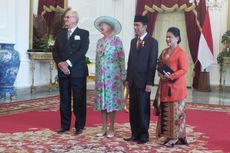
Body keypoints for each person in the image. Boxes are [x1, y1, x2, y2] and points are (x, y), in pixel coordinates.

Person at [52, 8, 89, 135]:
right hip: (63, 71)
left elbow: (82, 52)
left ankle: (79, 126)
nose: (65, 19)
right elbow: (55, 51)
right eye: (65, 17)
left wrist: (67, 63)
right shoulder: (60, 34)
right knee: (65, 99)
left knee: (79, 99)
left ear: (74, 19)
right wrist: (60, 64)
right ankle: (64, 125)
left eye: (68, 17)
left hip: (77, 71)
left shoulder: (84, 33)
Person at [124, 15, 158, 144]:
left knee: (143, 109)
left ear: (145, 26)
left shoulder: (152, 42)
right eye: (134, 25)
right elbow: (130, 61)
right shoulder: (133, 41)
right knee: (133, 109)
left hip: (144, 82)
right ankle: (135, 133)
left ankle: (144, 135)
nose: (135, 28)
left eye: (138, 25)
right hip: (133, 80)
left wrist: (150, 82)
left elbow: (152, 63)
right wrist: (127, 79)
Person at [94, 16, 126, 138]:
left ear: (110, 27)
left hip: (113, 77)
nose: (101, 27)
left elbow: (121, 58)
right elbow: (97, 60)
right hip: (101, 77)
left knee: (111, 102)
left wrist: (123, 74)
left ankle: (112, 127)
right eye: (100, 25)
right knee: (102, 102)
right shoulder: (99, 42)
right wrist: (97, 75)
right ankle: (103, 127)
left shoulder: (117, 41)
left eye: (104, 25)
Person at [157, 27, 188, 146]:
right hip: (165, 86)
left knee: (176, 113)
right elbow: (159, 65)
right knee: (167, 112)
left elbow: (184, 69)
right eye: (167, 37)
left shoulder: (181, 53)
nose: (167, 39)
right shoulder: (164, 52)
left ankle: (176, 137)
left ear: (177, 38)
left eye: (170, 37)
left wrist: (171, 76)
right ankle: (168, 135)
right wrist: (160, 73)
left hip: (177, 88)